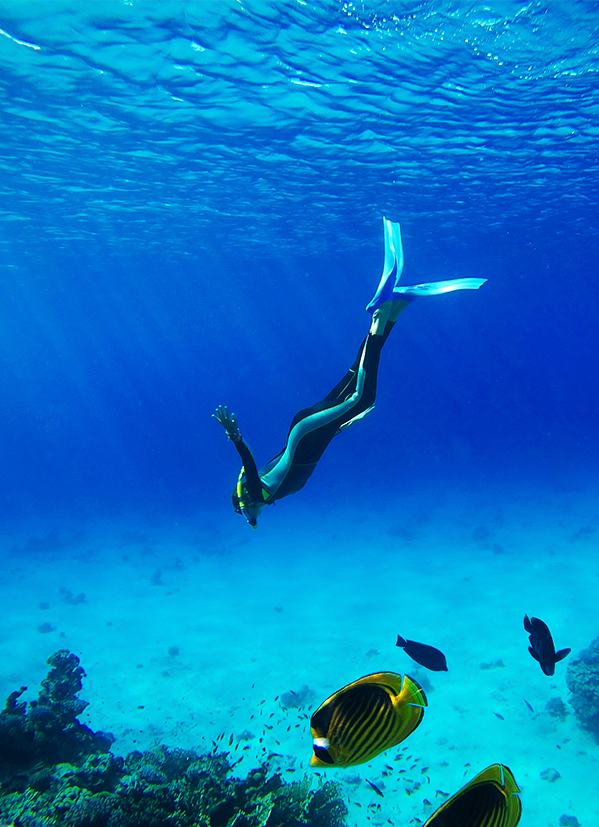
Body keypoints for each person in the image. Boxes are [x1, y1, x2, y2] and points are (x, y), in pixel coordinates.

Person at [213, 218, 486, 528]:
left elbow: (250, 464)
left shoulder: (254, 491)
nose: (250, 517)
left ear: (244, 502)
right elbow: (292, 455)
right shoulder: (267, 495)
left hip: (306, 431)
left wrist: (234, 436)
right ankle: (393, 311)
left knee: (363, 395)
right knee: (358, 380)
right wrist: (341, 425)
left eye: (245, 513)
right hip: (309, 430)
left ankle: (380, 313)